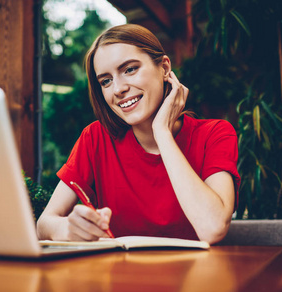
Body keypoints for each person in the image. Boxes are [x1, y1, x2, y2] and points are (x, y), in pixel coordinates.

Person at [37, 24, 240, 244]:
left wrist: (162, 132)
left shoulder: (215, 134)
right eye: (106, 81)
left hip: (195, 276)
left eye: (130, 69)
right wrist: (70, 228)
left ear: (164, 68)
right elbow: (44, 224)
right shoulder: (95, 139)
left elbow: (213, 228)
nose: (118, 89)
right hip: (120, 276)